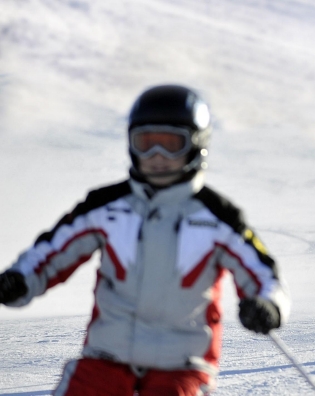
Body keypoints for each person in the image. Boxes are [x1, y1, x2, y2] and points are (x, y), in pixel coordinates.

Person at [0, 84, 290, 395]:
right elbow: (53, 251)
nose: (157, 157)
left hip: (182, 364)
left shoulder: (217, 217)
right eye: (146, 143)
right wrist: (20, 279)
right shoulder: (107, 206)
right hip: (107, 356)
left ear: (196, 145)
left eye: (171, 144)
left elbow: (261, 273)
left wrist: (267, 305)